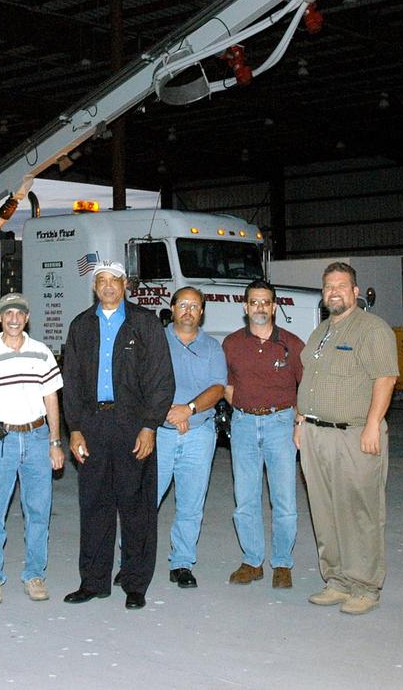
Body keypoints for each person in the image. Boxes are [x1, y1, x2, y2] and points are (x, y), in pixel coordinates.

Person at [61, 261, 174, 610]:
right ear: (95, 287)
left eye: (114, 281)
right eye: (101, 282)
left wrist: (150, 425)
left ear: (126, 284)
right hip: (93, 424)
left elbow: (161, 379)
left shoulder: (144, 324)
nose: (108, 287)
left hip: (132, 424)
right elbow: (73, 382)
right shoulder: (82, 325)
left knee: (136, 506)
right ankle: (94, 581)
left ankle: (135, 582)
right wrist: (75, 428)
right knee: (94, 505)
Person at [296, 262, 398, 616]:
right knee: (324, 511)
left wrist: (373, 425)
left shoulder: (372, 329)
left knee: (360, 512)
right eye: (328, 286)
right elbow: (310, 379)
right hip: (315, 434)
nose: (334, 291)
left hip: (354, 435)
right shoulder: (321, 331)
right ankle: (337, 580)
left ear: (355, 292)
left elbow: (385, 379)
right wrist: (300, 420)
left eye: (342, 285)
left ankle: (365, 586)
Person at [0, 292, 65, 604]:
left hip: (37, 439)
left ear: (27, 318)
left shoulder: (42, 353)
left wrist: (55, 442)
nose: (14, 318)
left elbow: (51, 399)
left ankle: (35, 574)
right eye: (7, 313)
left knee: (39, 511)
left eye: (20, 313)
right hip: (0, 440)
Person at [222, 279, 306, 589]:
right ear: (245, 308)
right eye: (254, 302)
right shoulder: (231, 344)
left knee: (283, 499)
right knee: (245, 498)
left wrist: (298, 423)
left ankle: (282, 563)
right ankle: (252, 561)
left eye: (265, 302)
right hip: (243, 424)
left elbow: (305, 388)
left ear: (274, 307)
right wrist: (246, 410)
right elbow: (227, 386)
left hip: (281, 425)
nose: (260, 307)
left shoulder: (292, 344)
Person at [157, 287, 227, 589]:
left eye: (194, 306)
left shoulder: (212, 347)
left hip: (198, 433)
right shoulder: (155, 341)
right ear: (172, 308)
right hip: (157, 433)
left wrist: (189, 409)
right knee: (144, 500)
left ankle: (182, 563)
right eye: (182, 304)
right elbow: (137, 382)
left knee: (191, 504)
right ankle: (132, 561)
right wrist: (167, 414)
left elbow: (218, 388)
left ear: (201, 312)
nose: (188, 310)